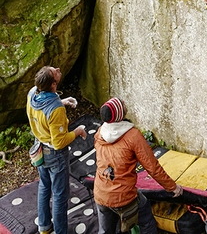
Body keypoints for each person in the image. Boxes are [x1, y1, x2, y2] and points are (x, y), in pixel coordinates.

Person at [93, 97, 183, 234]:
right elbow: (152, 167)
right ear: (120, 114)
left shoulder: (100, 133)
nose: (125, 104)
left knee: (105, 230)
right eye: (122, 104)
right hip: (123, 196)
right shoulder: (133, 136)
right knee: (145, 217)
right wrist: (172, 187)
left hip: (101, 192)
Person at [26, 65, 87, 234]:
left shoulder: (32, 93)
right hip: (55, 154)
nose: (59, 68)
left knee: (44, 186)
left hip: (40, 147)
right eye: (55, 72)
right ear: (53, 84)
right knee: (60, 196)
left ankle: (44, 226)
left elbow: (43, 110)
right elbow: (59, 142)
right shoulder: (56, 110)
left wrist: (61, 101)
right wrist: (77, 131)